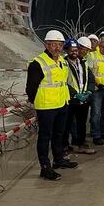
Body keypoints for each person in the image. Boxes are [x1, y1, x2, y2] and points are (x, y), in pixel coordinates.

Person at [26, 30, 76, 180]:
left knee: (59, 134)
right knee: (45, 137)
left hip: (61, 104)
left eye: (60, 45)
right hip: (46, 106)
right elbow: (31, 88)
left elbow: (63, 83)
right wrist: (37, 101)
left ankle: (58, 159)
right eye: (54, 44)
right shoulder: (38, 63)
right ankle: (45, 167)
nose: (57, 48)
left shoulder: (62, 61)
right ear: (46, 45)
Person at [64, 37, 96, 155]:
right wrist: (75, 94)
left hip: (83, 100)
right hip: (71, 100)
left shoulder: (83, 63)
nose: (74, 52)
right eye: (72, 50)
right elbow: (63, 82)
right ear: (67, 50)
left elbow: (90, 78)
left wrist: (89, 92)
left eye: (76, 50)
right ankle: (65, 146)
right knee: (67, 124)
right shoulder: (63, 63)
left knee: (82, 123)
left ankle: (80, 143)